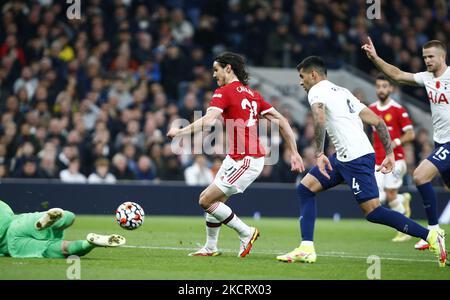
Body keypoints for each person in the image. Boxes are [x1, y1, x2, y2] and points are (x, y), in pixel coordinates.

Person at [276, 56, 446, 267]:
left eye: (302, 77)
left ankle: (429, 236)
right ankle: (306, 248)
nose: (300, 82)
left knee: (373, 212)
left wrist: (319, 154)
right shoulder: (343, 92)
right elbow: (378, 121)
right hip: (344, 157)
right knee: (305, 188)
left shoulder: (316, 91)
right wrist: (390, 154)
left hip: (356, 159)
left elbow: (319, 119)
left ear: (314, 75)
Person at [167, 52, 305, 257]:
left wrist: (180, 132)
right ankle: (211, 247)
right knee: (215, 203)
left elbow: (208, 120)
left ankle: (246, 232)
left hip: (247, 159)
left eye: (216, 69)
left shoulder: (224, 92)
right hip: (238, 158)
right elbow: (283, 121)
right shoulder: (253, 94)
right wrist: (294, 152)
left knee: (205, 200)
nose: (214, 75)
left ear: (228, 68)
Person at [362, 38, 449, 250]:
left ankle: (434, 231)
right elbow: (397, 75)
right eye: (424, 57)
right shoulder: (426, 78)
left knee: (420, 175)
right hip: (440, 142)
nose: (427, 60)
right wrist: (375, 58)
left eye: (431, 56)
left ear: (442, 57)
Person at [369, 74, 415, 242]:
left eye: (384, 86)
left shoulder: (398, 109)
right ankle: (403, 199)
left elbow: (411, 133)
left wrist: (396, 142)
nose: (381, 89)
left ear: (391, 89)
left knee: (389, 194)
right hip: (377, 161)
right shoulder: (371, 109)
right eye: (378, 86)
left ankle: (405, 229)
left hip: (397, 160)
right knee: (377, 199)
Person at [0, 200, 125, 258]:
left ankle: (88, 244)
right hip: (20, 222)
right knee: (68, 217)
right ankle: (54, 220)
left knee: (57, 249)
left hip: (12, 244)